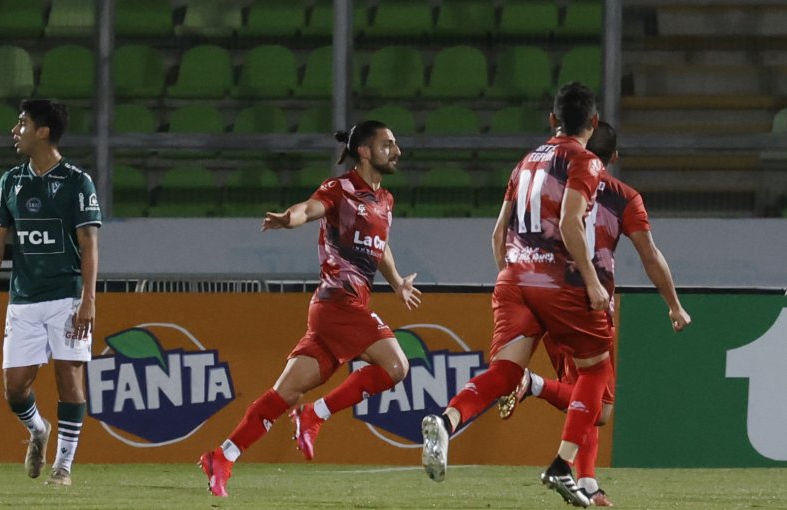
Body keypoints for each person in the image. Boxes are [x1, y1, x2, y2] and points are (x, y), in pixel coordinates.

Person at [198, 120, 422, 497]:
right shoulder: (341, 189)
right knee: (397, 366)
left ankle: (222, 455)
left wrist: (397, 280)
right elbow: (309, 207)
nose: (396, 151)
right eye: (388, 144)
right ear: (364, 151)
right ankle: (314, 415)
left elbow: (378, 245)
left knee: (283, 393)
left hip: (333, 310)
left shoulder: (385, 200)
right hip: (338, 303)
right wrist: (291, 219)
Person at [421, 82, 612, 508]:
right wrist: (592, 282)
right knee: (596, 371)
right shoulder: (585, 161)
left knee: (505, 373)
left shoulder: (525, 162)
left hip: (513, 275)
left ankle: (447, 419)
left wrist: (515, 283)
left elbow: (497, 233)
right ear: (594, 123)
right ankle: (564, 468)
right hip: (556, 279)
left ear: (552, 121)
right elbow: (569, 224)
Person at [495, 121, 693, 506]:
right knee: (595, 398)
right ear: (614, 157)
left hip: (544, 294)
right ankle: (573, 464)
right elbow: (650, 255)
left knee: (595, 405)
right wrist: (674, 305)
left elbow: (503, 231)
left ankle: (584, 477)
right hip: (587, 302)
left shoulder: (547, 180)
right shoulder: (623, 196)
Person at [0, 99, 101, 487]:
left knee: (70, 379)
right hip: (24, 300)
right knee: (14, 388)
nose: (15, 130)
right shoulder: (11, 181)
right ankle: (37, 429)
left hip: (66, 297)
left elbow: (89, 245)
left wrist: (88, 300)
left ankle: (63, 466)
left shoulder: (77, 182)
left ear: (43, 131)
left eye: (22, 123)